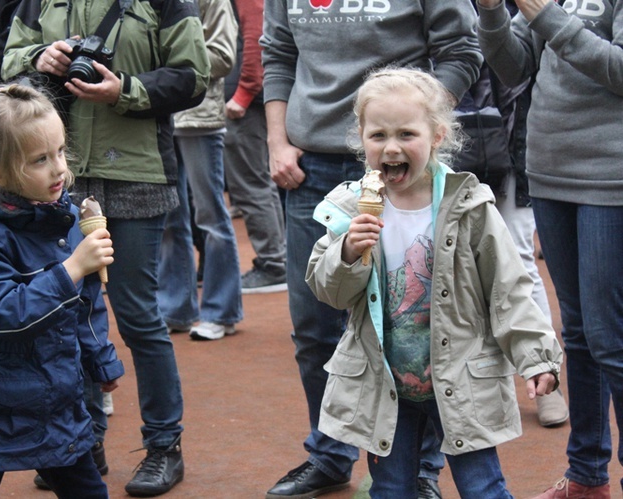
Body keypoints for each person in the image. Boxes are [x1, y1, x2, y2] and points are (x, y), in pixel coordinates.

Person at [259, 2, 483, 497]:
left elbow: (462, 51)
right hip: (310, 163)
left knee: (416, 327)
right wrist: (278, 140)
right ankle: (330, 451)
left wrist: (405, 131)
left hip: (406, 171)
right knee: (315, 326)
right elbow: (277, 55)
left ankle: (420, 470)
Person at [307, 66, 563, 498]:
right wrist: (347, 252)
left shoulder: (469, 206)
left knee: (483, 486)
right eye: (378, 136)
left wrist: (535, 356)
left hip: (462, 377)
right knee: (390, 489)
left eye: (407, 134)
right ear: (360, 137)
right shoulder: (348, 208)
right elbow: (329, 291)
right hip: (385, 381)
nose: (392, 147)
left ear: (438, 135)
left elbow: (508, 287)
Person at [2, 0, 209, 495]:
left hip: (136, 173)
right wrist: (39, 58)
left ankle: (163, 446)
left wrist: (125, 90)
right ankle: (83, 442)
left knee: (138, 315)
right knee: (68, 311)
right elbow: (6, 61)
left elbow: (192, 76)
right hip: (57, 175)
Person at [0, 83, 123, 499]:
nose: (59, 169)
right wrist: (71, 270)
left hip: (54, 395)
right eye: (40, 160)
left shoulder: (60, 217)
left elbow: (84, 307)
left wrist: (100, 360)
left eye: (61, 152)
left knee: (89, 491)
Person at [475, 0, 623, 497]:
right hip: (550, 171)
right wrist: (493, 12)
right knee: (578, 332)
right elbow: (515, 66)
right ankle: (587, 474)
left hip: (611, 177)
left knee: (611, 337)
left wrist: (544, 16)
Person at [158, 0, 241, 341]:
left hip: (199, 120)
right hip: (158, 114)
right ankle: (175, 309)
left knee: (210, 214)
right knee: (168, 216)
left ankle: (221, 311)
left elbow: (223, 56)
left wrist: (162, 70)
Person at [222, 0, 287, 295]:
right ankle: (277, 260)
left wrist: (244, 92)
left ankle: (274, 264)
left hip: (244, 104)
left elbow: (256, 37)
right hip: (247, 100)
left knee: (251, 183)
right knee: (257, 182)